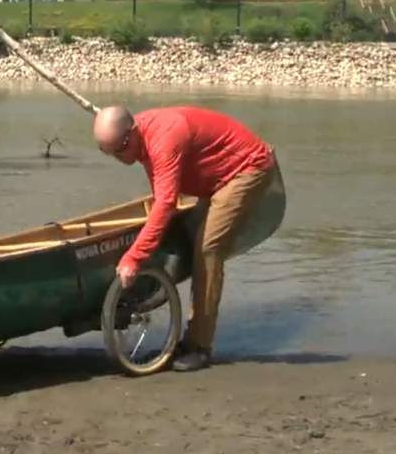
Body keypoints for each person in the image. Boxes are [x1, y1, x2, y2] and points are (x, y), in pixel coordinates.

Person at [92, 105, 281, 372]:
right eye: (109, 153)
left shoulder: (164, 139)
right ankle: (183, 328)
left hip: (246, 170)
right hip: (212, 178)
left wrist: (134, 257)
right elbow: (163, 197)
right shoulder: (137, 138)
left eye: (121, 148)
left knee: (207, 249)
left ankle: (199, 346)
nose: (120, 158)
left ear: (132, 132)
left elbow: (166, 203)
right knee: (183, 234)